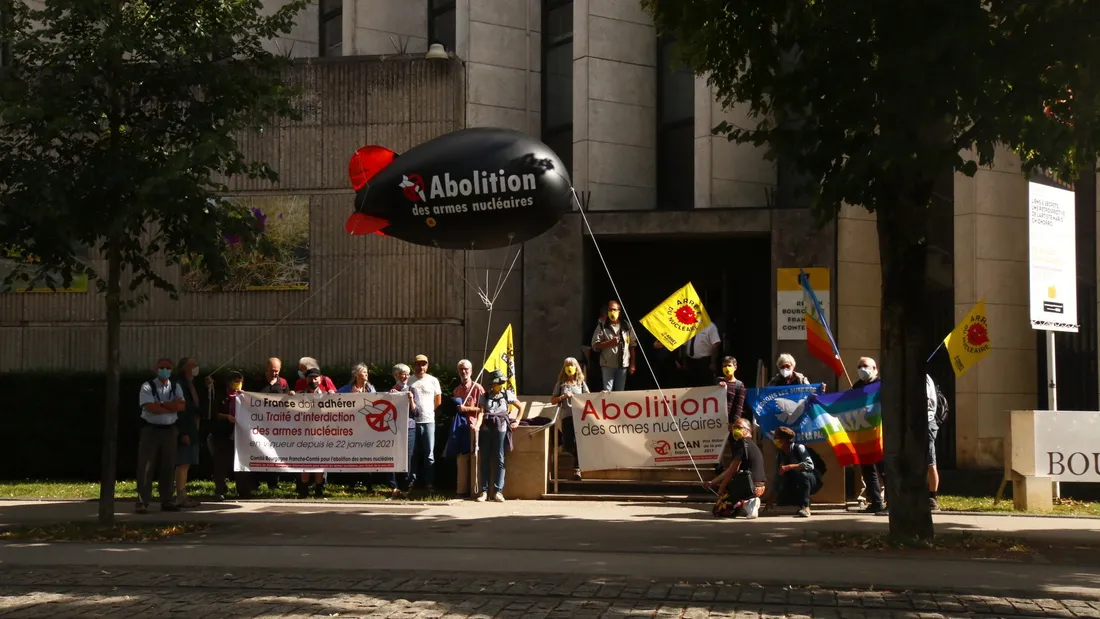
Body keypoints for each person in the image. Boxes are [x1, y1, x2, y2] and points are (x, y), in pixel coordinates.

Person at [135, 358, 186, 514]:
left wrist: (161, 404)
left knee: (168, 465)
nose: (165, 370)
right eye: (162, 367)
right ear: (156, 369)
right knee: (146, 466)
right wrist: (170, 406)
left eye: (168, 367)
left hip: (170, 430)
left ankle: (167, 500)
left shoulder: (175, 386)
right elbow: (150, 407)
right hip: (151, 429)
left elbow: (182, 406)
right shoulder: (147, 386)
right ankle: (142, 501)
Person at [476, 370, 523, 502]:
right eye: (498, 382)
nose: (500, 385)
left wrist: (517, 420)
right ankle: (484, 491)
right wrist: (477, 426)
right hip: (486, 428)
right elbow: (481, 412)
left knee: (499, 458)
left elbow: (520, 407)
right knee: (484, 459)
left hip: (501, 428)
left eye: (502, 382)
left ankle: (498, 491)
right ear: (493, 383)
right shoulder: (484, 396)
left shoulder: (507, 394)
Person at [706, 417, 765, 518]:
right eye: (734, 427)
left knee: (718, 511)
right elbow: (731, 468)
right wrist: (713, 482)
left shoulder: (741, 443)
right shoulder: (752, 445)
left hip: (748, 487)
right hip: (759, 487)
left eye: (739, 427)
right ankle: (747, 502)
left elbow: (733, 470)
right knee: (726, 507)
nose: (735, 430)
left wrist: (721, 488)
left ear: (748, 430)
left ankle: (747, 502)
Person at [209, 371, 251, 501]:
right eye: (235, 381)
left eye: (240, 381)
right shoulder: (221, 397)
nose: (238, 384)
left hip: (241, 435)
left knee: (242, 462)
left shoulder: (246, 397)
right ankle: (220, 490)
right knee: (222, 463)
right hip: (224, 434)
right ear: (229, 383)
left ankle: (243, 490)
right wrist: (227, 417)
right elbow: (214, 414)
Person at [852, 357, 885, 513]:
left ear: (874, 368)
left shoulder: (881, 386)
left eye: (865, 366)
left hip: (879, 435)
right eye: (859, 366)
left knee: (884, 471)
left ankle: (892, 503)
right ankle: (876, 502)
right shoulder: (857, 387)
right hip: (863, 436)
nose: (861, 369)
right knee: (867, 471)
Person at [296, 367, 335, 498]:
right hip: (304, 434)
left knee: (320, 462)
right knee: (304, 462)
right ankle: (304, 489)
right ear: (306, 379)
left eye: (316, 378)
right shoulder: (300, 394)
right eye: (311, 378)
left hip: (321, 434)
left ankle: (319, 489)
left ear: (320, 379)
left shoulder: (327, 395)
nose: (313, 380)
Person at [764, 426, 818, 518]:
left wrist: (789, 466)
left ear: (783, 440)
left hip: (809, 480)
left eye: (776, 437)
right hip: (795, 482)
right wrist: (770, 497)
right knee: (781, 500)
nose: (774, 440)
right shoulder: (780, 454)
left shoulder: (799, 448)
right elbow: (777, 477)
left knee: (803, 475)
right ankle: (800, 501)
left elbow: (810, 465)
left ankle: (806, 507)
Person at [337, 363, 376, 491]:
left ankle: (369, 485)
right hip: (351, 428)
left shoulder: (371, 389)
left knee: (367, 456)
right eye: (363, 372)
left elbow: (376, 404)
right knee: (352, 455)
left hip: (367, 428)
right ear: (356, 374)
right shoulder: (347, 389)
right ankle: (351, 484)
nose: (366, 374)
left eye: (366, 372)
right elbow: (334, 400)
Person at [551, 357, 590, 481]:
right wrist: (563, 396)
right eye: (567, 365)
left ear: (576, 367)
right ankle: (576, 461)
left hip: (579, 417)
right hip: (567, 416)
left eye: (571, 365)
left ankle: (577, 469)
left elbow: (589, 397)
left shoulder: (581, 383)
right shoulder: (561, 383)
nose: (569, 367)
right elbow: (553, 400)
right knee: (568, 444)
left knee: (579, 442)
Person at [409, 354, 442, 493]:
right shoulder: (409, 381)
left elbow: (438, 400)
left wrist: (428, 411)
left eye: (423, 364)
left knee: (429, 454)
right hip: (412, 422)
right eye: (418, 364)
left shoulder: (433, 381)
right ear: (414, 365)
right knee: (413, 453)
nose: (420, 367)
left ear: (427, 366)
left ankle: (429, 483)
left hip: (429, 421)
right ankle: (411, 481)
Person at [173, 356, 202, 508]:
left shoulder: (190, 384)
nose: (197, 368)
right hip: (185, 428)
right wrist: (183, 432)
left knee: (187, 462)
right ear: (185, 368)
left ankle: (182, 493)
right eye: (194, 365)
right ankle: (180, 495)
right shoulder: (180, 384)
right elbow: (180, 410)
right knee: (183, 462)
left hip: (191, 427)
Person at [256, 357, 289, 491]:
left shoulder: (283, 383)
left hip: (276, 426)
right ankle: (256, 482)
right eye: (272, 371)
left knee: (275, 454)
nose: (275, 373)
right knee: (259, 453)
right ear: (266, 369)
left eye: (277, 371)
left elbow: (288, 402)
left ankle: (273, 484)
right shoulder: (258, 381)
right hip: (259, 424)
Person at [452, 359, 484, 498]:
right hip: (460, 427)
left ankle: (476, 490)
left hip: (474, 426)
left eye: (466, 369)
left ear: (471, 371)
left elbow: (483, 409)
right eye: (461, 369)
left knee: (475, 457)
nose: (463, 372)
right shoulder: (457, 390)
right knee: (461, 458)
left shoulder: (478, 388)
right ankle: (461, 490)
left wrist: (467, 409)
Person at [590, 300, 637, 392]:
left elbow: (632, 345)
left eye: (615, 310)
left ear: (619, 312)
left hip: (623, 365)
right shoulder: (602, 326)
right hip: (608, 365)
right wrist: (610, 343)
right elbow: (595, 345)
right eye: (610, 310)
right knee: (607, 392)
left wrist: (633, 364)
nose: (613, 312)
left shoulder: (626, 325)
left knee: (620, 392)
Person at [390, 363, 421, 495]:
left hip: (409, 428)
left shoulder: (412, 390)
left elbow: (417, 412)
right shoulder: (390, 391)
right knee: (393, 456)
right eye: (403, 374)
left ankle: (405, 487)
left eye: (408, 374)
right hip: (394, 429)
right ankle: (394, 487)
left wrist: (411, 400)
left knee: (407, 457)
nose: (406, 377)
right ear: (395, 375)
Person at [682, 321, 721, 387]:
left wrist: (713, 362)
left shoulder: (710, 326)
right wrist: (684, 362)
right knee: (691, 385)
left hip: (704, 362)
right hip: (690, 361)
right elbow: (683, 345)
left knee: (704, 385)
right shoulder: (688, 325)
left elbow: (715, 344)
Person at [927, 373, 942, 512]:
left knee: (930, 463)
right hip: (921, 424)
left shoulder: (923, 379)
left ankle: (933, 498)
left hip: (926, 424)